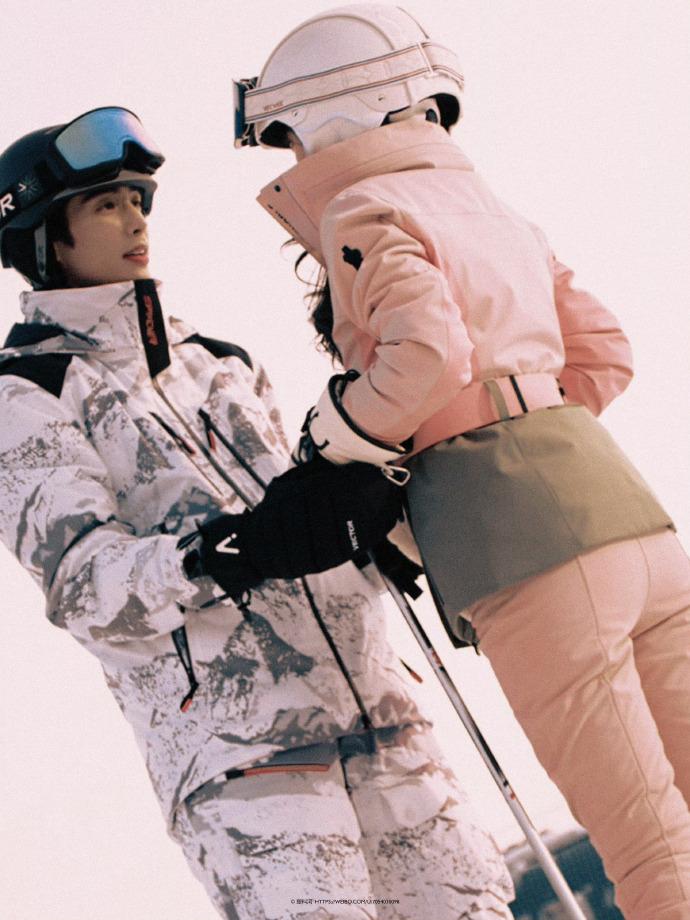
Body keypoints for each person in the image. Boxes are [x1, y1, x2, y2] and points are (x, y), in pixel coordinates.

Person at [0, 107, 514, 919]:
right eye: (105, 205)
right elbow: (84, 588)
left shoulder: (219, 362)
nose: (136, 220)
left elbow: (305, 514)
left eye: (138, 199)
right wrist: (228, 551)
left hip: (383, 721)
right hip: (247, 760)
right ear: (41, 238)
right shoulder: (27, 394)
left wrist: (371, 523)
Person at [237, 5, 690, 918]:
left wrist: (339, 436)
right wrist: (524, 421)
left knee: (649, 844)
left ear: (332, 117)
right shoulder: (492, 209)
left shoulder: (365, 208)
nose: (293, 159)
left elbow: (428, 353)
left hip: (527, 553)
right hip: (632, 522)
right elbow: (603, 353)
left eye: (289, 136)